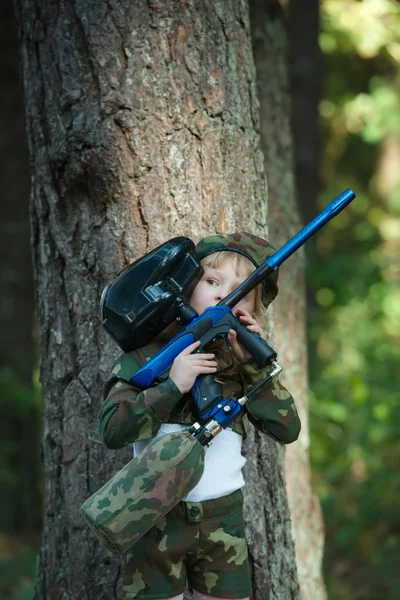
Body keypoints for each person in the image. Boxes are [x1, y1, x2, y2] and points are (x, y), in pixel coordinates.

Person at [99, 232, 301, 600]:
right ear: (185, 288)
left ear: (250, 310)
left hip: (222, 521)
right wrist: (171, 385)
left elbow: (287, 429)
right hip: (153, 517)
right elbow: (113, 429)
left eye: (241, 289)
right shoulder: (146, 358)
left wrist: (254, 367)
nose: (223, 293)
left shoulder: (244, 366)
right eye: (212, 281)